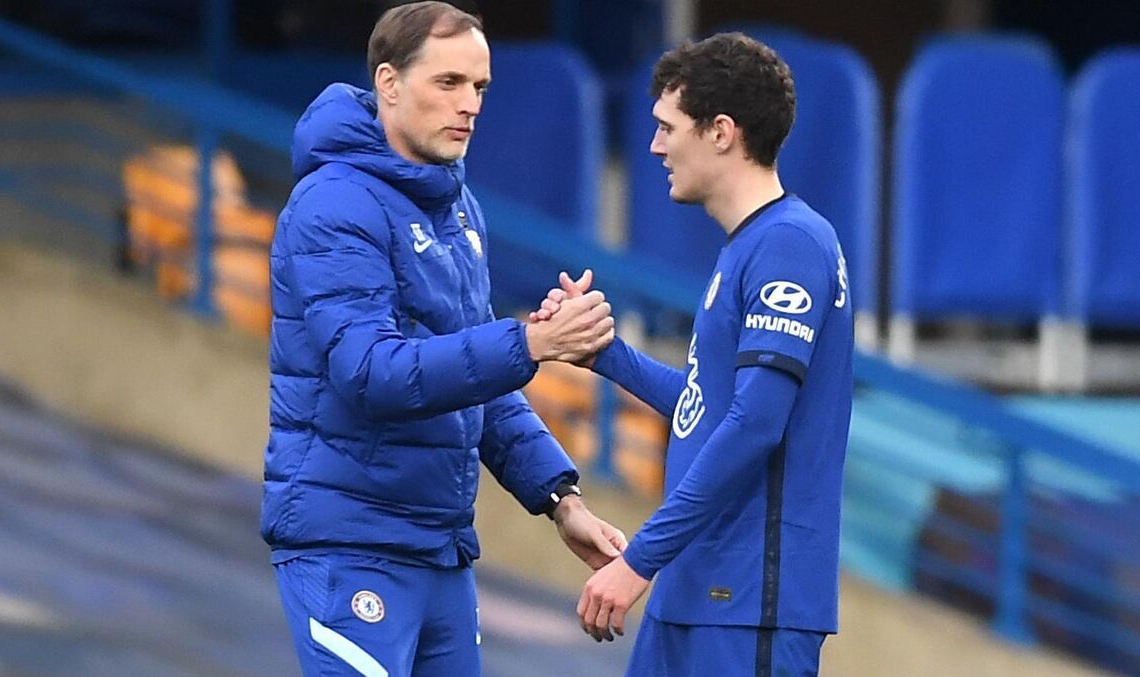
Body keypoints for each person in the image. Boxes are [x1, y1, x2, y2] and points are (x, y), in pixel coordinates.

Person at [260, 3, 627, 675]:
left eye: (479, 86)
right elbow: (372, 374)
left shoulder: (458, 206)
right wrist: (531, 343)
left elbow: (477, 377)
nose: (470, 104)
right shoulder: (334, 203)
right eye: (449, 82)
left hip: (441, 549)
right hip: (351, 545)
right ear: (389, 83)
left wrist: (559, 499)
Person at [533, 33, 854, 677]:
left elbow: (756, 424)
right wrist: (603, 353)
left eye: (667, 127)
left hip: (746, 601)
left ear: (721, 133)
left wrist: (639, 559)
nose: (655, 146)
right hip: (699, 590)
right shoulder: (751, 244)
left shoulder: (790, 244)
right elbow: (710, 405)